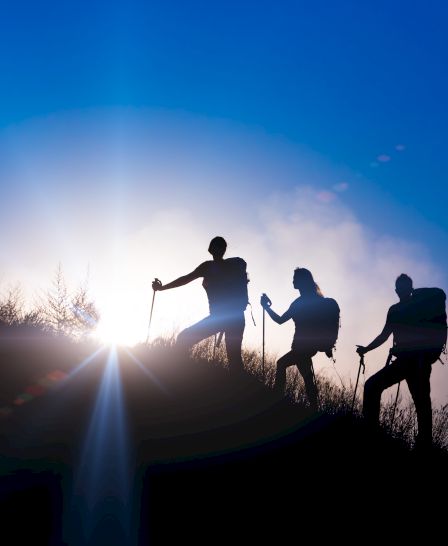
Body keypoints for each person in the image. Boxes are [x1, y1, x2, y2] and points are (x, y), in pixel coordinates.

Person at [357, 274, 434, 450]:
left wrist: (367, 349)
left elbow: (384, 335)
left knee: (373, 387)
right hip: (413, 362)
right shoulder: (404, 308)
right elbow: (385, 335)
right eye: (399, 288)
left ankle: (371, 433)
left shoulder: (401, 309)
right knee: (422, 403)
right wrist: (367, 349)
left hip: (413, 362)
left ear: (407, 288)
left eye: (401, 287)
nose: (399, 291)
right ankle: (425, 445)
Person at [152, 236, 248, 372]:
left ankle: (178, 374)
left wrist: (162, 288)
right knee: (235, 360)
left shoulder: (208, 267)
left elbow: (184, 279)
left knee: (183, 338)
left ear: (211, 249)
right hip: (236, 317)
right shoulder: (235, 264)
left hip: (221, 318)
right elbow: (185, 279)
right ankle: (240, 386)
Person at [260, 268, 327, 410]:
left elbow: (280, 320)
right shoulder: (315, 299)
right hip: (309, 347)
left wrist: (266, 308)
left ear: (302, 281)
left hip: (301, 347)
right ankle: (315, 408)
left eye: (295, 279)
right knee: (307, 375)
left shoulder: (300, 302)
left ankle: (276, 399)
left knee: (281, 364)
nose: (293, 281)